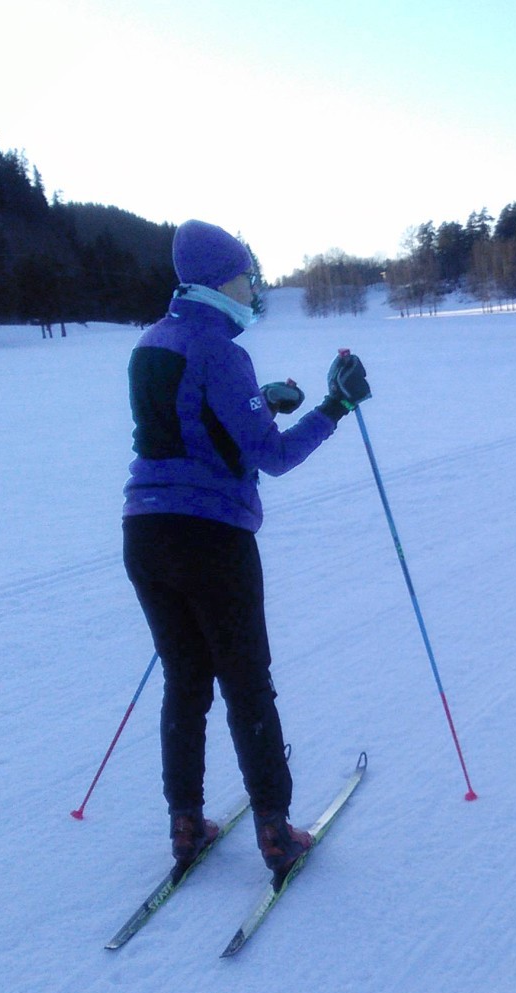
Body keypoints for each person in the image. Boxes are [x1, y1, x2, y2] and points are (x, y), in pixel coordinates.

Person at [121, 218, 371, 876]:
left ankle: (184, 822)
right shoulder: (222, 351)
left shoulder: (152, 342)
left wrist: (262, 400)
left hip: (145, 535)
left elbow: (191, 423)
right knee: (246, 683)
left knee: (185, 681)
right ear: (215, 280)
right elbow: (273, 455)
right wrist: (333, 407)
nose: (252, 287)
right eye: (243, 275)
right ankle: (274, 830)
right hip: (212, 540)